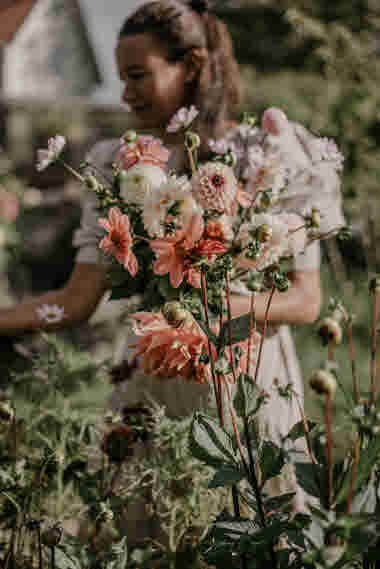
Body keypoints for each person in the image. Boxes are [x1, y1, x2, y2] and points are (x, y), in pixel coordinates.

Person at [0, 0, 344, 545]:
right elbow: (73, 303)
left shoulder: (270, 151)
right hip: (149, 390)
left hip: (247, 389)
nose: (125, 93)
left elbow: (305, 303)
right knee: (140, 539)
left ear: (190, 65)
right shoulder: (117, 164)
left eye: (138, 75)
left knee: (263, 536)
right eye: (120, 78)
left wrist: (207, 313)